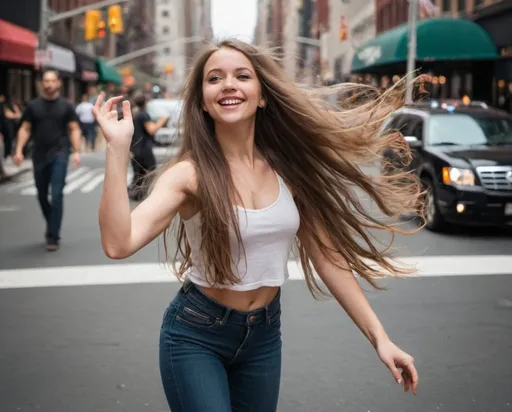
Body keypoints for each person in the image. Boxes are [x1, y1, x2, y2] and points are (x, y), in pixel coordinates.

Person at [93, 39, 420, 411]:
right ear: (203, 100)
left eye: (242, 76)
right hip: (195, 335)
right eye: (214, 78)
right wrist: (117, 151)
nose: (228, 84)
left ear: (262, 96)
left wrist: (380, 338)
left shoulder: (289, 171)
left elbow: (327, 257)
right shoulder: (189, 175)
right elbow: (118, 244)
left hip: (264, 338)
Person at [14, 69, 81, 251]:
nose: (49, 84)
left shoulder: (66, 106)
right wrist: (19, 150)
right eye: (46, 81)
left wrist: (76, 151)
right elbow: (25, 129)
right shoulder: (33, 106)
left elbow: (74, 128)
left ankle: (53, 235)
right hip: (39, 154)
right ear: (42, 83)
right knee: (42, 194)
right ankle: (52, 221)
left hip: (60, 152)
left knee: (57, 194)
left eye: (52, 80)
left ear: (59, 83)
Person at [128, 92, 169, 200]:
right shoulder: (143, 115)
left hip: (136, 148)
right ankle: (139, 193)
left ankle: (136, 193)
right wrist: (163, 120)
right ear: (145, 102)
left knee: (139, 173)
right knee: (150, 170)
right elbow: (151, 130)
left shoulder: (135, 113)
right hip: (144, 149)